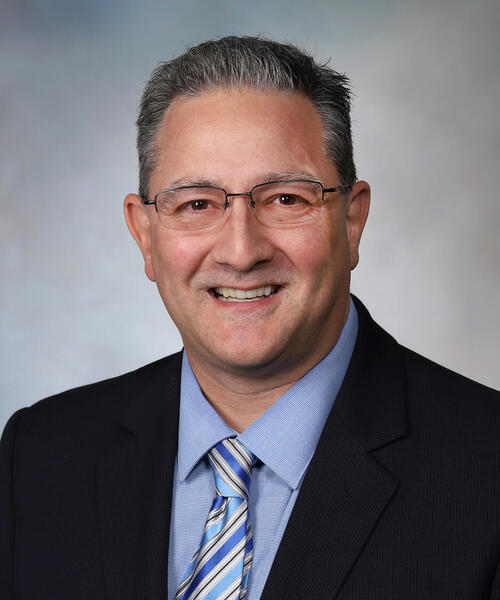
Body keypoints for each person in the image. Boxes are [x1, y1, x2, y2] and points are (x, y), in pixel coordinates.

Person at [1, 35, 499, 600]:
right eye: (197, 204)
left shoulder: (486, 469)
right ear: (144, 234)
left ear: (352, 221)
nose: (241, 252)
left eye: (286, 199)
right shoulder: (38, 456)